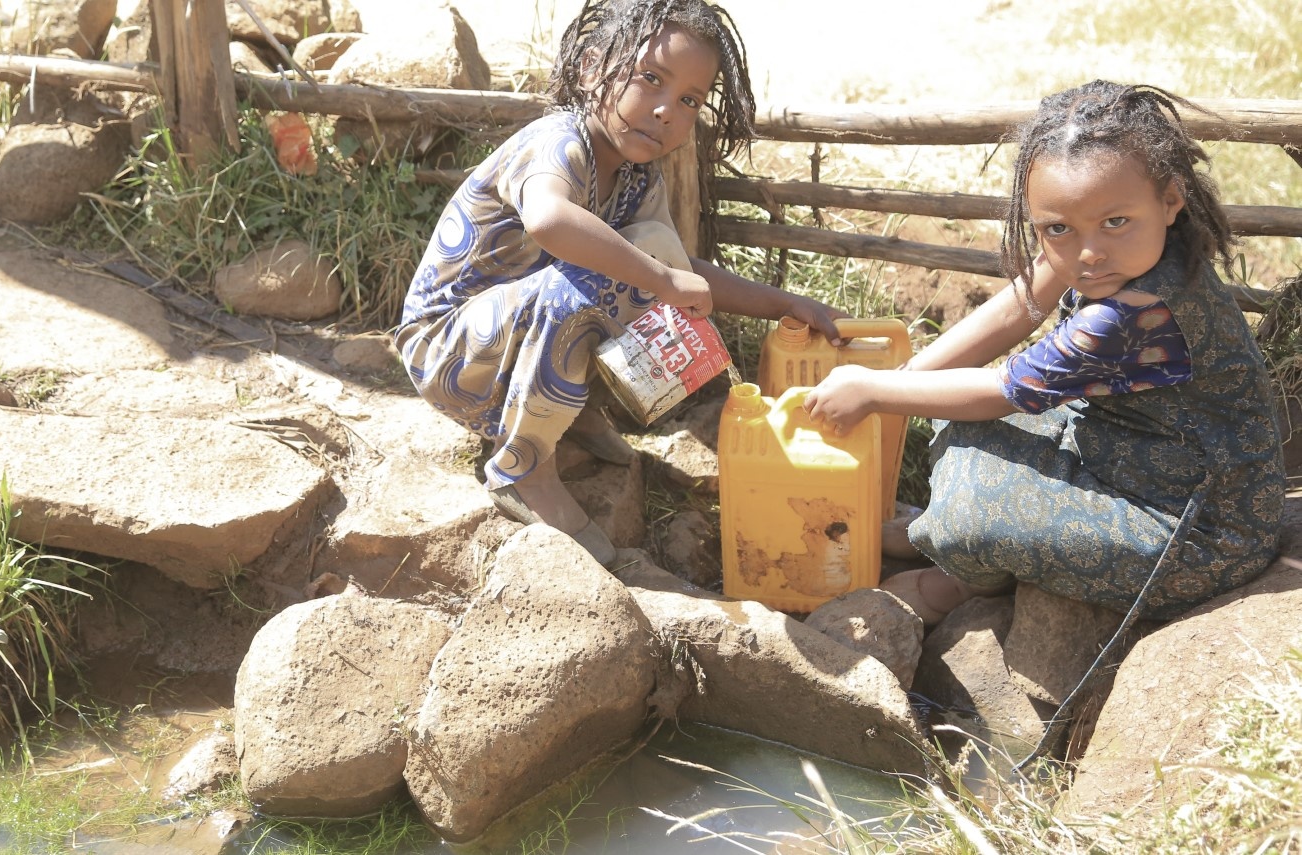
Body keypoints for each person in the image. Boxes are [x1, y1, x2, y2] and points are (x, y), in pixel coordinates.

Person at [804, 80, 1286, 625]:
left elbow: (997, 391)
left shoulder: (1136, 314)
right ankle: (939, 535)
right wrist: (905, 378)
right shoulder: (1107, 248)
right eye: (1058, 228)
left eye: (1115, 222)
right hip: (1126, 453)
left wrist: (875, 389)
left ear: (1171, 199)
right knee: (953, 422)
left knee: (971, 507)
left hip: (1195, 531)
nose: (1087, 251)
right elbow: (1019, 305)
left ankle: (960, 580)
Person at [394, 0, 846, 566]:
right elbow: (548, 221)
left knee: (645, 255)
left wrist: (785, 302)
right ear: (590, 69)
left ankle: (569, 411)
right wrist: (660, 276)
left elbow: (680, 270)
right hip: (449, 351)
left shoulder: (636, 175)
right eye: (650, 79)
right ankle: (522, 469)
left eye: (688, 100)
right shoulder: (557, 142)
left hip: (507, 343)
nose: (665, 111)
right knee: (604, 278)